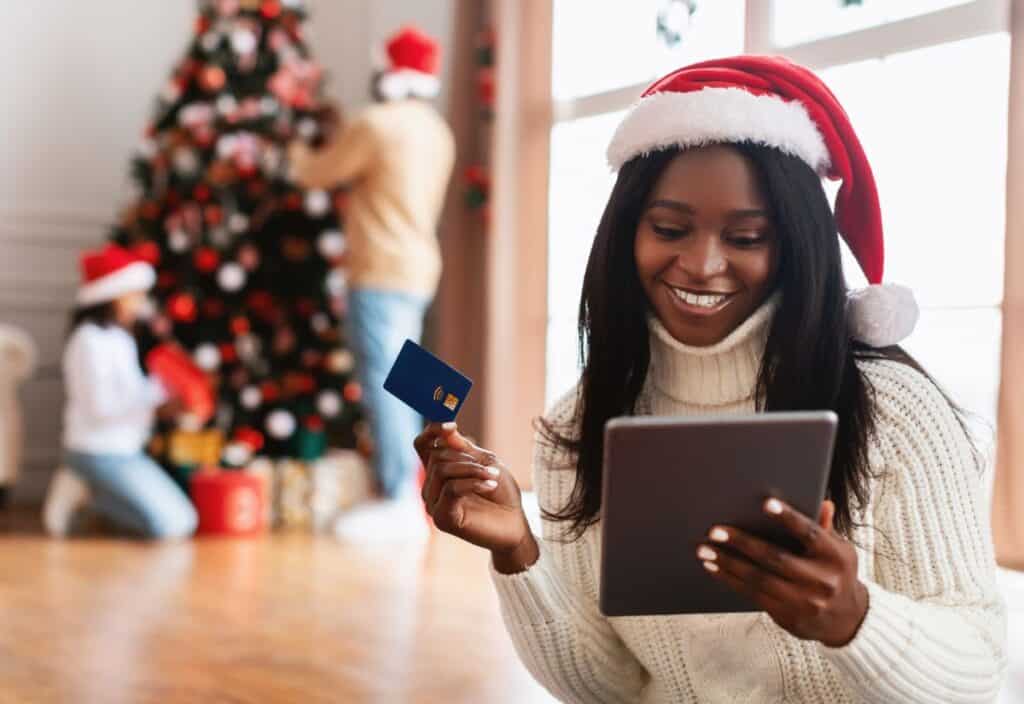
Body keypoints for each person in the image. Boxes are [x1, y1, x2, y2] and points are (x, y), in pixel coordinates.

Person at [415, 56, 1007, 702]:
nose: (701, 264)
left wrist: (854, 618)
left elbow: (979, 673)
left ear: (796, 247)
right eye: (669, 229)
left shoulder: (896, 411)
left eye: (747, 237)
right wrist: (518, 553)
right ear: (625, 234)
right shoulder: (579, 424)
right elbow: (608, 685)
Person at [289, 25, 455, 543]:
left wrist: (293, 143)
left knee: (387, 381)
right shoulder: (437, 131)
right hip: (420, 267)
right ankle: (427, 479)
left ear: (389, 72)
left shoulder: (377, 125)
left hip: (377, 268)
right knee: (412, 379)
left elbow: (317, 172)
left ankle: (397, 497)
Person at [42, 244, 197, 540]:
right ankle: (89, 493)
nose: (140, 303)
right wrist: (154, 409)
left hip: (126, 450)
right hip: (97, 451)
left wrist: (170, 391)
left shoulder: (120, 339)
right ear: (110, 295)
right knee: (171, 524)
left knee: (184, 519)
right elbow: (100, 408)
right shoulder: (88, 341)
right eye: (134, 294)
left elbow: (134, 392)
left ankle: (94, 495)